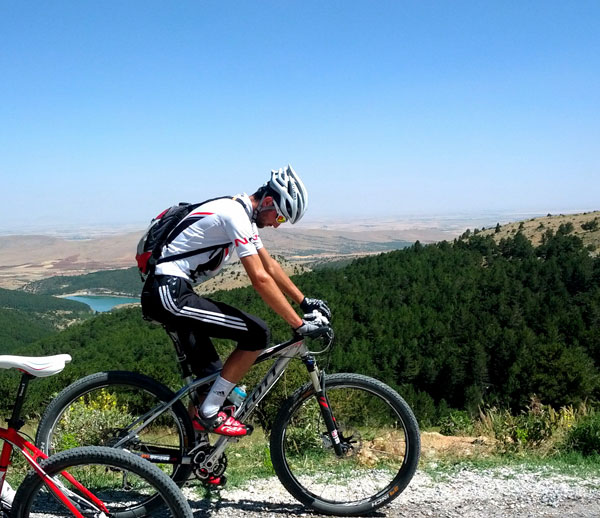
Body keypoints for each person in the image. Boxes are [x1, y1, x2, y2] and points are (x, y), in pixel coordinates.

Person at [141, 165, 331, 440]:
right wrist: (298, 323)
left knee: (212, 381)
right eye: (280, 215)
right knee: (257, 333)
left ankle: (196, 452)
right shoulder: (234, 214)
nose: (278, 224)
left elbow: (270, 266)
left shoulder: (242, 215)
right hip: (170, 293)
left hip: (172, 291)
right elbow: (260, 279)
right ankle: (209, 414)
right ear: (268, 201)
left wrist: (305, 302)